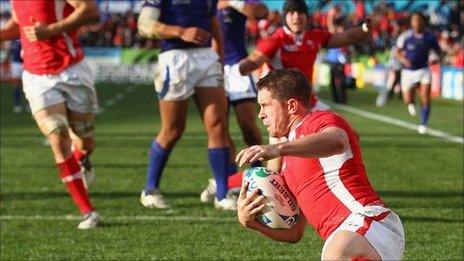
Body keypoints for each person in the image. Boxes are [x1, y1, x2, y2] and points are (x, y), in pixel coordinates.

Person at [200, 0, 380, 200]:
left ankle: (334, 183)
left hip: (309, 103)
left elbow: (345, 36)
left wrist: (365, 28)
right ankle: (224, 183)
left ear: (306, 16)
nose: (296, 17)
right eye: (292, 13)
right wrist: (243, 67)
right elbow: (256, 58)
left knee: (349, 135)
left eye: (300, 13)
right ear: (285, 17)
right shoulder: (276, 39)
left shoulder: (315, 36)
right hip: (284, 110)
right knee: (275, 170)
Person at [236, 69, 405, 260]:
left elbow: (337, 141)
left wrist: (279, 148)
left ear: (291, 106)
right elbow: (295, 233)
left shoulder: (318, 120)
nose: (260, 115)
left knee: (336, 252)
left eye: (265, 105)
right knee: (335, 249)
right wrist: (250, 223)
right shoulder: (289, 163)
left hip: (369, 220)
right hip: (354, 233)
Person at [0, 0, 101, 229]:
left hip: (72, 70)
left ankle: (82, 158)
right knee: (57, 134)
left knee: (85, 142)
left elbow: (90, 10)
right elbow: (18, 26)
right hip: (36, 76)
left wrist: (50, 30)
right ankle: (88, 211)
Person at [137, 0, 236, 210]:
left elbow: (213, 23)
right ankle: (150, 189)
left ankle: (222, 194)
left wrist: (218, 57)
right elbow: (144, 25)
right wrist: (180, 31)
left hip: (206, 57)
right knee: (173, 130)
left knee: (218, 124)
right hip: (175, 59)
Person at [200, 0, 268, 204]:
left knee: (248, 127)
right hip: (212, 68)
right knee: (219, 129)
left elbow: (260, 12)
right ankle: (227, 181)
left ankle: (259, 175)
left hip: (237, 67)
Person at [395, 11, 441, 134]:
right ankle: (410, 104)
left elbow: (438, 52)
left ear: (423, 22)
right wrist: (404, 59)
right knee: (407, 99)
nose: (417, 23)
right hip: (408, 72)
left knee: (425, 97)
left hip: (423, 70)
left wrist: (435, 58)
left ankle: (423, 123)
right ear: (411, 22)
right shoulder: (405, 36)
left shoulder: (430, 37)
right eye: (414, 20)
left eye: (419, 20)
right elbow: (397, 52)